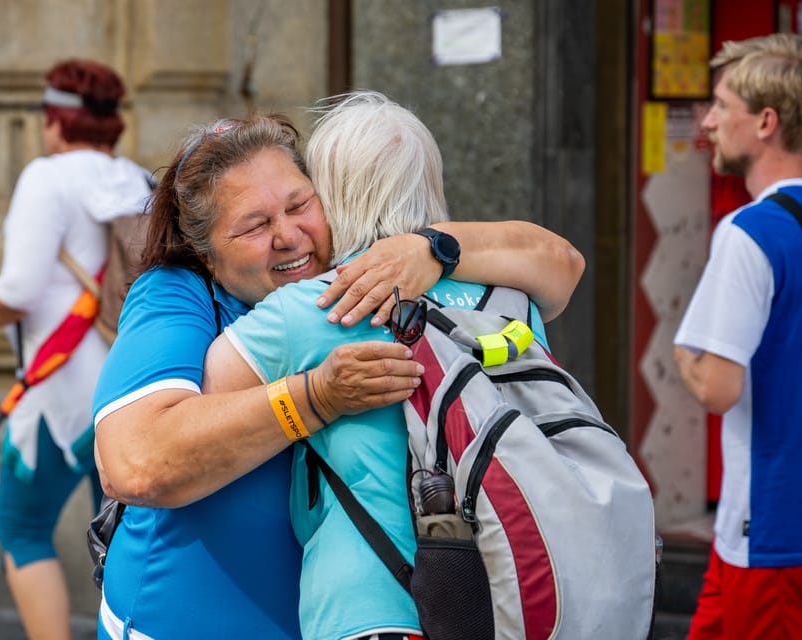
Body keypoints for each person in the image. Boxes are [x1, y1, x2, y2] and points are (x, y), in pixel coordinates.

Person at [92, 104, 584, 637]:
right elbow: (135, 464)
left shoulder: (368, 277)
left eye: (300, 204)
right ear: (204, 253)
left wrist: (431, 246)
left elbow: (563, 264)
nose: (287, 235)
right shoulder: (175, 295)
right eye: (254, 226)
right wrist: (315, 398)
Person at [0, 59, 153, 640]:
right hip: (130, 393)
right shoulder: (138, 180)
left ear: (55, 121)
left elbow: (19, 291)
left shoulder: (45, 179)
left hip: (58, 401)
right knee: (122, 539)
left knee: (22, 528)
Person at [673, 33, 802, 640]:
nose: (710, 120)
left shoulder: (749, 233)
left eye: (722, 104)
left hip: (775, 533)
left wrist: (683, 350)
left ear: (766, 121)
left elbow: (717, 387)